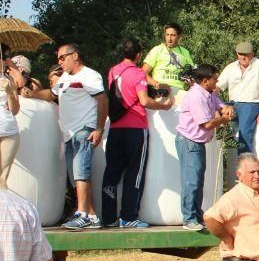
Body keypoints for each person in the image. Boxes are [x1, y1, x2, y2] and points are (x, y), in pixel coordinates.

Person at [101, 39, 174, 228]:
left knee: (112, 172)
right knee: (135, 173)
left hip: (115, 127)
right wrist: (163, 106)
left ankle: (108, 217)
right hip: (135, 128)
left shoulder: (113, 71)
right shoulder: (138, 73)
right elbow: (144, 101)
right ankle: (128, 217)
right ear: (139, 55)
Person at [32, 44, 107, 229]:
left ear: (74, 55)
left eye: (62, 58)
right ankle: (91, 215)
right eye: (58, 58)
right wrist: (30, 94)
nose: (59, 62)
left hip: (84, 130)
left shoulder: (90, 75)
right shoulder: (65, 77)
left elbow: (103, 99)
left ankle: (81, 214)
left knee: (81, 172)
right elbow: (51, 94)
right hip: (69, 133)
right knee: (76, 177)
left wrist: (98, 129)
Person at [176, 64, 234, 230]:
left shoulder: (209, 93)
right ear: (204, 80)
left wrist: (227, 108)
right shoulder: (196, 96)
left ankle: (196, 215)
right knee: (191, 181)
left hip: (196, 142)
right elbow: (207, 124)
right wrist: (223, 119)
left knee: (198, 181)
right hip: (189, 142)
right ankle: (189, 218)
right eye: (214, 78)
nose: (217, 81)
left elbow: (220, 105)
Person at [217, 42, 259, 155]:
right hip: (231, 104)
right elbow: (216, 87)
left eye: (246, 54)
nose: (243, 57)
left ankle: (245, 163)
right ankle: (221, 137)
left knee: (244, 134)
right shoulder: (231, 67)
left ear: (252, 54)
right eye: (240, 54)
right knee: (211, 110)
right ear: (237, 54)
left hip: (251, 104)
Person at [142, 23, 193, 91]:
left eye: (173, 35)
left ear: (179, 36)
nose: (169, 38)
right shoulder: (157, 49)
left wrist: (190, 79)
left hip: (180, 90)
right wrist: (157, 84)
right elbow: (142, 73)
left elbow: (193, 75)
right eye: (167, 35)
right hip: (161, 90)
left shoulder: (185, 52)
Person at [0, 59, 20, 189]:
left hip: (9, 132)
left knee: (2, 179)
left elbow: (15, 110)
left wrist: (9, 92)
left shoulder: (8, 81)